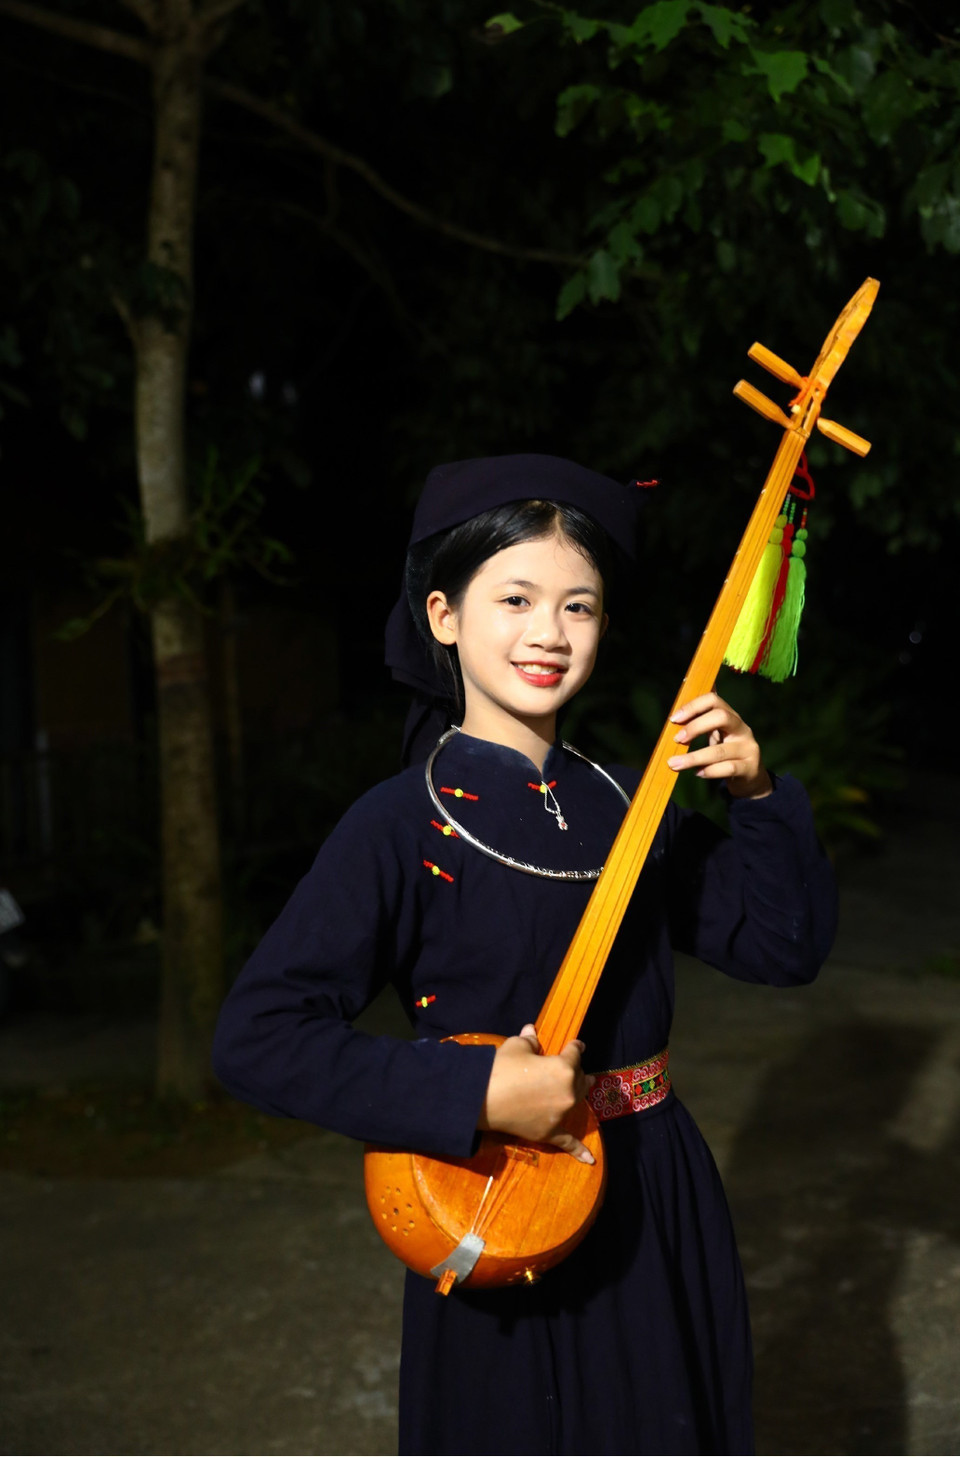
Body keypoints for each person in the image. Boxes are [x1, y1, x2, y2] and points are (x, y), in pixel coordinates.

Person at [213, 453, 837, 1456]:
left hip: (656, 1191)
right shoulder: (397, 822)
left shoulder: (630, 804)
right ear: (443, 615)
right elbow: (256, 1036)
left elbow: (783, 947)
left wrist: (759, 796)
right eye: (515, 597)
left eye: (578, 606)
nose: (548, 632)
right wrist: (469, 1090)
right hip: (504, 1201)